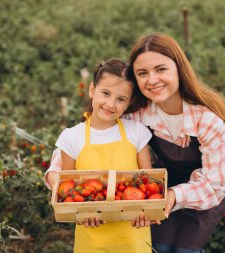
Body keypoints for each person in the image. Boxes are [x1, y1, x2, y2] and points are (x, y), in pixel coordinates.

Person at [46, 33, 225, 253]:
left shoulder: (207, 121)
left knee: (185, 250)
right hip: (166, 181)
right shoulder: (138, 113)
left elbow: (215, 183)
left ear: (179, 68)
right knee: (159, 246)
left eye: (161, 69)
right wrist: (57, 175)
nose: (152, 80)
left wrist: (173, 196)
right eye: (142, 73)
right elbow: (89, 134)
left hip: (209, 185)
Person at [49, 58, 153, 253]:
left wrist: (144, 212)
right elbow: (68, 191)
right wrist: (82, 213)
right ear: (91, 90)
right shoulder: (72, 137)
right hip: (92, 239)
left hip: (132, 236)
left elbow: (148, 184)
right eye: (105, 93)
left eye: (121, 99)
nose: (110, 104)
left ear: (128, 103)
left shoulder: (137, 132)